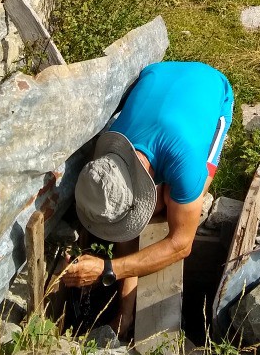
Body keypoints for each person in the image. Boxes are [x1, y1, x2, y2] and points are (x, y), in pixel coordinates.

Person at [61, 60, 234, 333]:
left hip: (212, 86)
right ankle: (126, 314)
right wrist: (125, 312)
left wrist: (109, 269)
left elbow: (181, 244)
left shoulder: (185, 163)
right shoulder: (107, 157)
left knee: (174, 204)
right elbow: (124, 225)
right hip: (162, 73)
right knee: (158, 204)